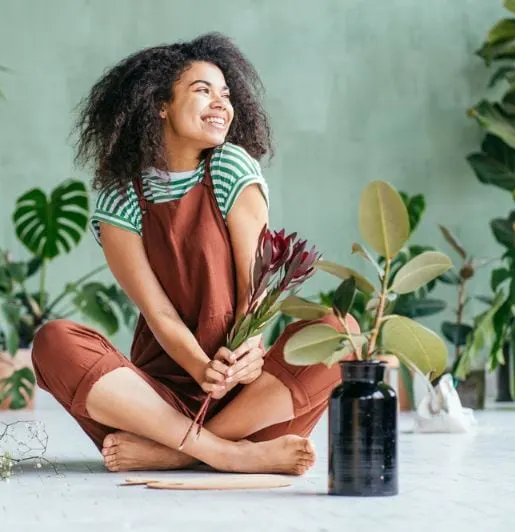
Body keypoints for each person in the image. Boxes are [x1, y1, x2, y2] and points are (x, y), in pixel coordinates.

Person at [30, 33, 357, 476]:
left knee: (343, 331)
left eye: (225, 93)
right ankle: (228, 454)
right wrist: (203, 370)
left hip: (248, 400)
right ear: (159, 104)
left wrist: (250, 350)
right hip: (152, 404)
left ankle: (181, 453)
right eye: (202, 90)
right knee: (53, 342)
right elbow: (159, 314)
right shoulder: (121, 197)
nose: (221, 103)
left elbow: (255, 288)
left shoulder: (230, 167)